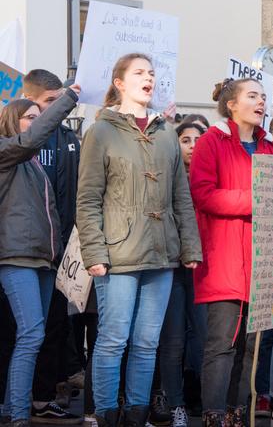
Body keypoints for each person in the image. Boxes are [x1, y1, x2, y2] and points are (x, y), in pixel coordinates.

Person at [76, 54, 202, 427]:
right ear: (119, 83)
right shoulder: (101, 131)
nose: (148, 78)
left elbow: (181, 195)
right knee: (114, 340)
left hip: (162, 254)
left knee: (147, 343)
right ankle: (105, 414)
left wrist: (190, 247)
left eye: (151, 73)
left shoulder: (166, 132)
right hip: (117, 253)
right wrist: (94, 251)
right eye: (139, 73)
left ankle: (136, 414)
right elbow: (87, 198)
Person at [190, 78, 273, 427]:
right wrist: (252, 201)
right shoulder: (212, 142)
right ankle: (214, 416)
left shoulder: (269, 149)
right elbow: (203, 194)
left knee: (254, 347)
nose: (261, 101)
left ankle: (239, 415)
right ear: (232, 104)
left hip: (265, 262)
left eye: (263, 97)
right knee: (223, 344)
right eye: (252, 95)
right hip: (226, 259)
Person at [0, 85, 79, 427]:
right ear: (12, 123)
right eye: (31, 117)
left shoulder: (31, 164)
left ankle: (9, 407)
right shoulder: (6, 151)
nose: (37, 124)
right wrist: (67, 99)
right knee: (31, 334)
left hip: (44, 260)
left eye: (39, 117)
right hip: (17, 257)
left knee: (34, 334)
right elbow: (32, 140)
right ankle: (19, 415)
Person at [20, 70, 84, 425]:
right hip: (25, 250)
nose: (57, 108)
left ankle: (44, 396)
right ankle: (19, 400)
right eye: (49, 102)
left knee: (56, 325)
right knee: (27, 328)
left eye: (61, 100)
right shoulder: (22, 139)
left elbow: (75, 192)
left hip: (62, 249)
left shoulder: (69, 138)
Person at [150, 121, 207, 427]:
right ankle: (175, 404)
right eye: (186, 139)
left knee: (204, 338)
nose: (193, 145)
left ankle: (206, 400)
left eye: (199, 139)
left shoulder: (211, 178)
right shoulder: (166, 179)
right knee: (172, 340)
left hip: (204, 268)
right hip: (171, 267)